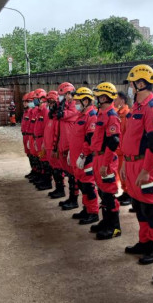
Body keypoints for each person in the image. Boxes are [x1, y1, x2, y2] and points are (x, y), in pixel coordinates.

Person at [121, 65, 153, 265]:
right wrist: (124, 163)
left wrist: (146, 170)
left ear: (140, 84)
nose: (130, 88)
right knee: (138, 206)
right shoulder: (136, 108)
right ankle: (144, 240)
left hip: (146, 166)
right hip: (132, 164)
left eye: (132, 84)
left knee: (150, 208)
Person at [89, 82, 123, 240]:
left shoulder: (111, 115)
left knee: (109, 195)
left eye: (98, 96)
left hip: (106, 159)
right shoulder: (101, 114)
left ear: (104, 97)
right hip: (99, 157)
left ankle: (114, 227)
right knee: (102, 192)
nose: (96, 99)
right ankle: (106, 221)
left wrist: (105, 164)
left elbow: (113, 141)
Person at [69, 87, 100, 224]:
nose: (75, 104)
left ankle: (93, 212)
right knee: (82, 185)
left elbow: (90, 138)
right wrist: (71, 152)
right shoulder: (81, 115)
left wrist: (83, 155)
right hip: (78, 157)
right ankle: (86, 208)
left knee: (88, 186)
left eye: (78, 101)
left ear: (86, 101)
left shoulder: (92, 115)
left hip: (86, 158)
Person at [56, 82, 80, 210]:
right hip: (65, 143)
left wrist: (60, 109)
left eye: (63, 95)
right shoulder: (66, 104)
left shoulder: (75, 106)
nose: (61, 98)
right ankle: (71, 197)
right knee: (69, 172)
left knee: (73, 174)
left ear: (69, 94)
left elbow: (63, 116)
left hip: (71, 144)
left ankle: (74, 199)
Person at [43, 90, 66, 198]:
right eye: (49, 102)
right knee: (53, 167)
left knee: (57, 169)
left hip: (54, 147)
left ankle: (60, 190)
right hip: (48, 146)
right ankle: (58, 188)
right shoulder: (51, 116)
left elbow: (58, 134)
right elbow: (46, 131)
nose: (50, 105)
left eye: (52, 103)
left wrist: (55, 148)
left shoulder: (58, 118)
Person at [114, 91, 132, 206]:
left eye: (116, 99)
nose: (114, 101)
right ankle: (125, 192)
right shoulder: (118, 114)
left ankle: (129, 194)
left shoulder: (126, 114)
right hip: (118, 149)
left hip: (123, 150)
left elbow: (127, 133)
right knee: (120, 174)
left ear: (122, 100)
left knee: (125, 174)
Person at [31, 89, 52, 190]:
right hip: (38, 139)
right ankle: (43, 179)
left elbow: (47, 129)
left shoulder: (45, 111)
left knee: (45, 161)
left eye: (36, 99)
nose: (35, 101)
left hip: (43, 139)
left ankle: (47, 182)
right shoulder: (38, 111)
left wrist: (44, 142)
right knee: (41, 160)